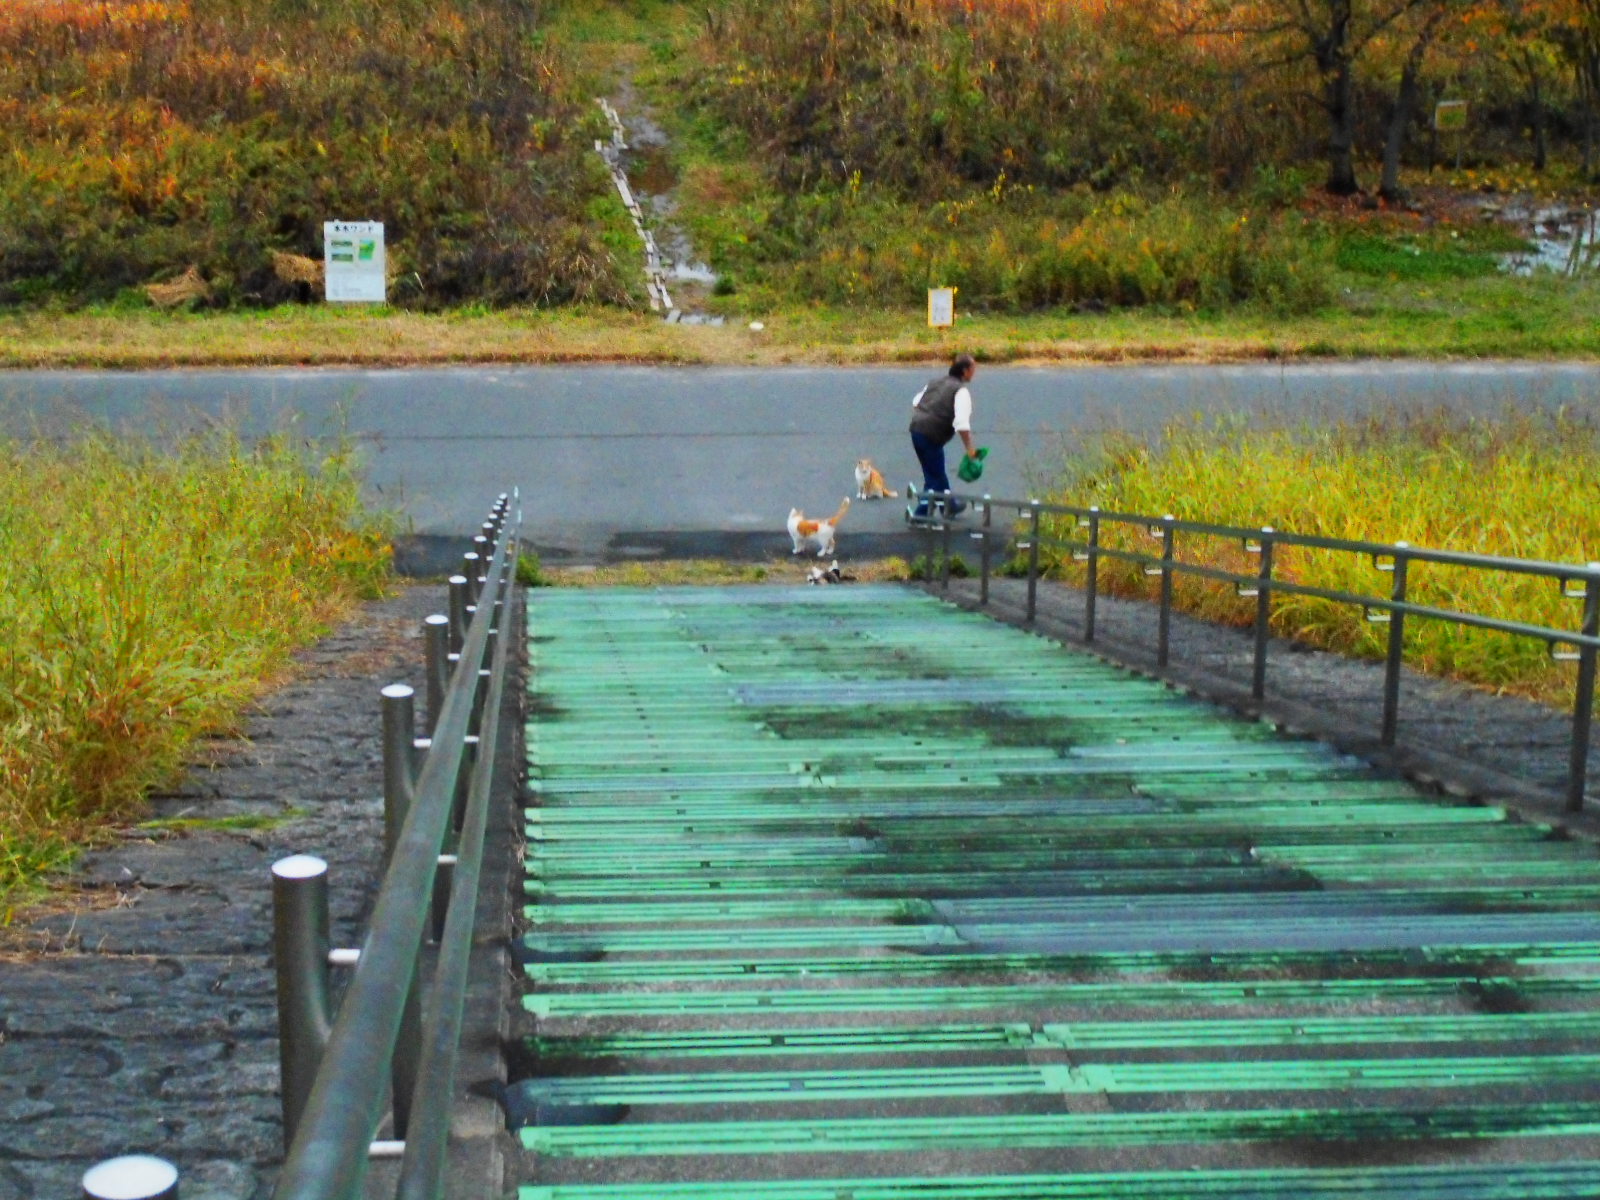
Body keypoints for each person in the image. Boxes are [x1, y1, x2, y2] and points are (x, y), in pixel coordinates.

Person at [908, 353, 980, 519]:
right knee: (934, 477)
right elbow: (962, 423)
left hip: (916, 430)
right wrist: (970, 449)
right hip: (931, 435)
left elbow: (916, 402)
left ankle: (949, 506)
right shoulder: (961, 391)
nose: (975, 372)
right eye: (973, 368)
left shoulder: (935, 382)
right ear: (965, 371)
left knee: (935, 473)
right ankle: (921, 515)